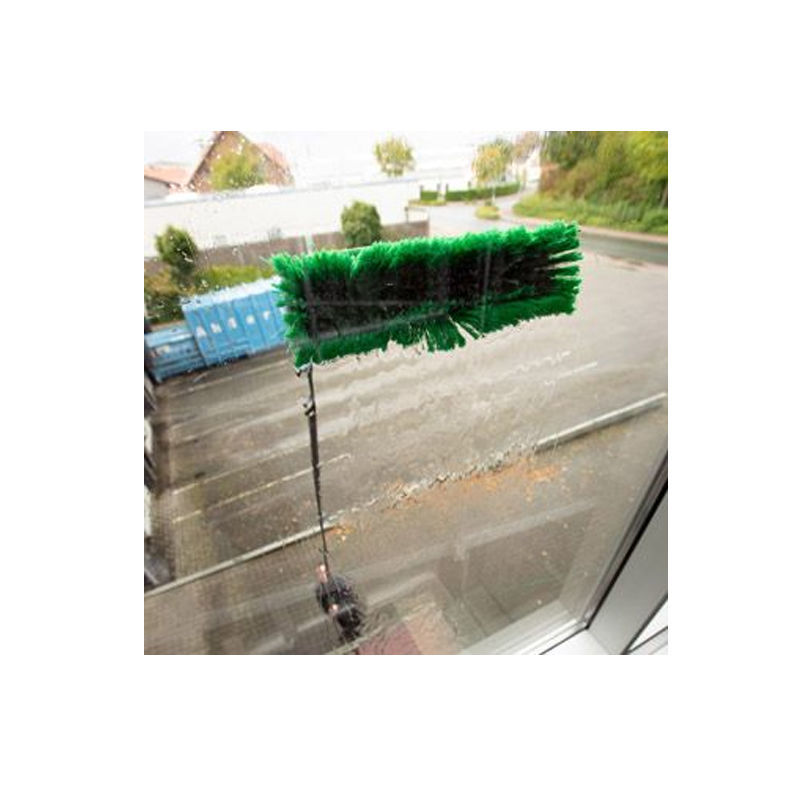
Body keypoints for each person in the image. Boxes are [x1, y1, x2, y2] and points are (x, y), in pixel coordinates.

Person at [315, 563, 365, 646]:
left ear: (327, 572)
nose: (320, 575)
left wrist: (339, 605)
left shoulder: (338, 582)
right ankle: (351, 637)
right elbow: (323, 604)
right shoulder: (319, 590)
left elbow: (350, 597)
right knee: (347, 631)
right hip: (339, 616)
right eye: (318, 574)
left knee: (355, 627)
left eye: (322, 572)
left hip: (349, 611)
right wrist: (328, 610)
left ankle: (355, 634)